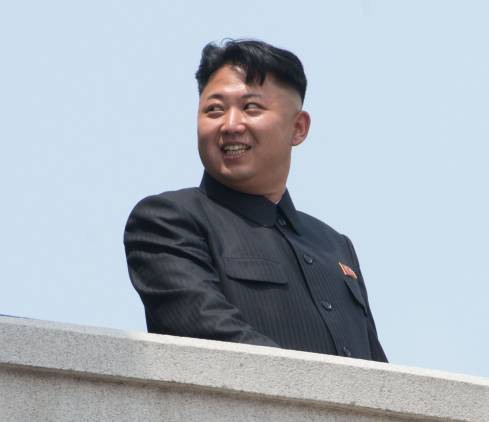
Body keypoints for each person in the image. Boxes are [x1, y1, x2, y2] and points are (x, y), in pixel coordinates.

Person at [124, 39, 387, 362]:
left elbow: (376, 370)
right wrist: (315, 388)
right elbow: (210, 334)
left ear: (298, 128)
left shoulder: (336, 246)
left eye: (251, 107)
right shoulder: (168, 220)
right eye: (214, 110)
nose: (230, 125)